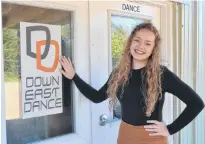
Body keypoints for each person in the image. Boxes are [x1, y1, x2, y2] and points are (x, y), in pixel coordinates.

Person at [59, 22, 205, 144]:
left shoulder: (162, 74)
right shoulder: (119, 73)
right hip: (125, 134)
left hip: (152, 138)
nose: (141, 46)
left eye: (148, 43)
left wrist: (170, 129)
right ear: (130, 42)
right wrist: (74, 76)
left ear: (153, 49)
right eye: (137, 40)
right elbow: (97, 97)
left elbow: (196, 103)